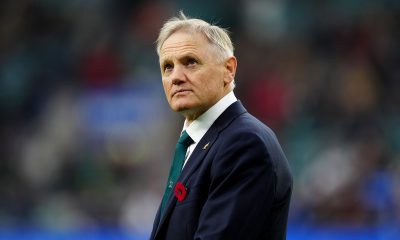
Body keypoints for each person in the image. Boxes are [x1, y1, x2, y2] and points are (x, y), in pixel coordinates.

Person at [150, 11, 292, 240]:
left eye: (191, 62)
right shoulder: (199, 144)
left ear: (228, 70)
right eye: (168, 67)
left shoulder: (244, 143)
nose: (176, 76)